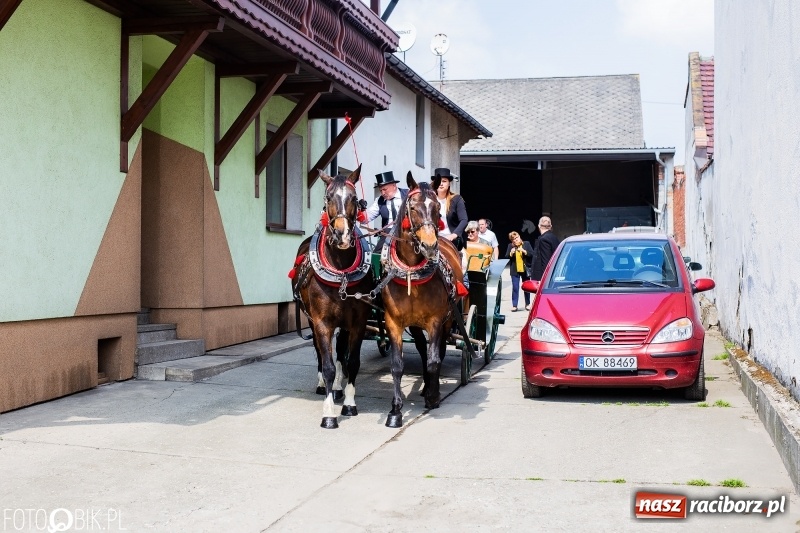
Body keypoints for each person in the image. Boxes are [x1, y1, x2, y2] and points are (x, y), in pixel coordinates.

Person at [364, 171, 408, 253]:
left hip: (407, 231)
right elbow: (366, 218)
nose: (383, 193)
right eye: (381, 190)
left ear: (394, 186)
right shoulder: (379, 201)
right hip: (387, 233)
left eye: (385, 189)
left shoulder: (408, 195)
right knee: (376, 255)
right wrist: (361, 210)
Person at [432, 168, 468, 249]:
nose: (441, 184)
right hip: (433, 240)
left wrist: (454, 234)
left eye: (444, 181)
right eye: (438, 181)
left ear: (449, 184)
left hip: (453, 240)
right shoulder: (429, 200)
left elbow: (464, 220)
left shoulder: (457, 199)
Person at [506, 231, 534, 311]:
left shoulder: (526, 244)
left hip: (525, 270)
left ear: (519, 236)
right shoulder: (510, 246)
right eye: (513, 239)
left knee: (527, 287)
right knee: (515, 287)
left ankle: (528, 304)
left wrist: (525, 251)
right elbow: (506, 256)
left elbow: (532, 254)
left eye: (517, 237)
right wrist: (511, 253)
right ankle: (514, 305)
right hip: (515, 271)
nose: (516, 240)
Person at [530, 216, 560, 281]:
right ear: (551, 226)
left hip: (542, 279)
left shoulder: (544, 239)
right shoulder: (554, 238)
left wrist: (544, 281)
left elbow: (546, 262)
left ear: (539, 226)